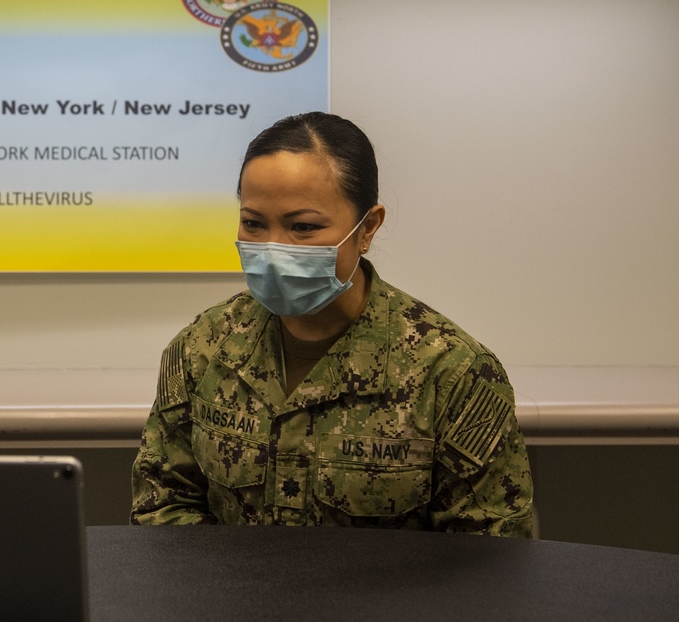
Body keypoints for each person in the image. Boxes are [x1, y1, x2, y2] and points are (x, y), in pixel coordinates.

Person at [130, 112, 533, 535]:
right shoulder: (204, 348)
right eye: (253, 223)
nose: (272, 248)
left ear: (368, 228)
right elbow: (163, 510)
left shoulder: (451, 372)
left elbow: (488, 556)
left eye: (303, 227)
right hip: (234, 599)